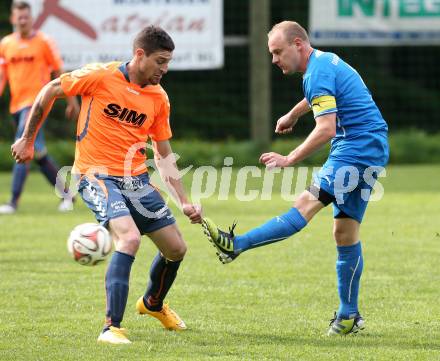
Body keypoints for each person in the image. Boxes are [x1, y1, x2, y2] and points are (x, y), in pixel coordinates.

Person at [12, 25, 203, 344]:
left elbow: (163, 153)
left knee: (176, 248)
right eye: (160, 61)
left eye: (168, 62)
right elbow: (50, 90)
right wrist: (28, 139)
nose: (164, 69)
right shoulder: (101, 76)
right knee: (128, 239)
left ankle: (153, 303)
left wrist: (183, 200)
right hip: (94, 175)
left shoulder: (158, 97)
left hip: (137, 180)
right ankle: (111, 327)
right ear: (140, 55)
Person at [202, 21, 389, 336]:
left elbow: (326, 128)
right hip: (369, 147)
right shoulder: (322, 63)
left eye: (278, 52)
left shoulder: (316, 73)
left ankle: (237, 245)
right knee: (344, 233)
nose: (274, 59)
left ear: (299, 44)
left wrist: (289, 158)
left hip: (356, 151)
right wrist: (292, 115)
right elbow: (320, 96)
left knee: (305, 203)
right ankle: (348, 317)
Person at [0, 1, 79, 214]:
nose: (22, 20)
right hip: (16, 106)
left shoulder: (45, 42)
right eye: (19, 17)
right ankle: (67, 195)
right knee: (38, 153)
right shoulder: (6, 43)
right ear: (13, 19)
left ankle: (12, 202)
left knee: (22, 145)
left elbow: (60, 73)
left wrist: (72, 101)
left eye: (26, 16)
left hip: (37, 104)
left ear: (31, 18)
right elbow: (2, 75)